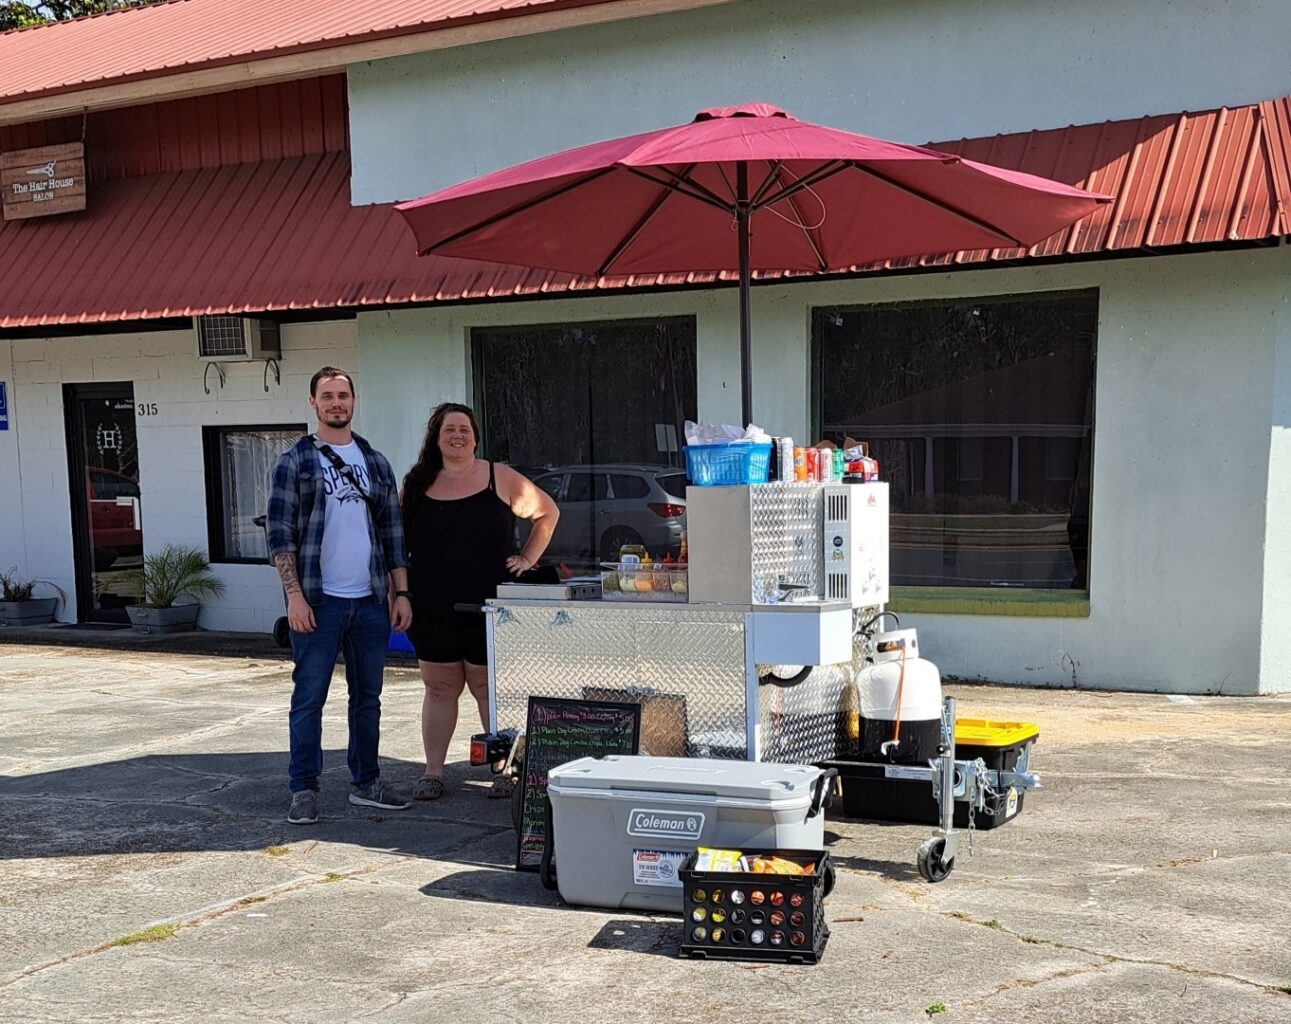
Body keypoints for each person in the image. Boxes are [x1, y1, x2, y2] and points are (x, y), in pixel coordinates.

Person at [266, 366, 414, 825]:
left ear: (353, 401)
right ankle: (303, 789)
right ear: (313, 402)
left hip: (369, 601)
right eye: (327, 396)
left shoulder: (375, 462)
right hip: (318, 601)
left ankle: (366, 782)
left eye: (343, 395)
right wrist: (294, 596)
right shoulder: (295, 461)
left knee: (368, 698)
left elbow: (393, 532)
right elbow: (280, 534)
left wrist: (401, 592)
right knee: (309, 698)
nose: (336, 403)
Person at [401, 402, 558, 800]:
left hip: (490, 604)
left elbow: (547, 513)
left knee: (489, 686)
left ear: (475, 436)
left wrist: (527, 560)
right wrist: (397, 593)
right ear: (435, 438)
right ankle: (433, 771)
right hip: (433, 603)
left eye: (464, 429)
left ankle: (503, 770)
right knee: (439, 688)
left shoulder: (498, 477)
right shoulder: (417, 484)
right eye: (449, 429)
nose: (457, 436)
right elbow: (394, 544)